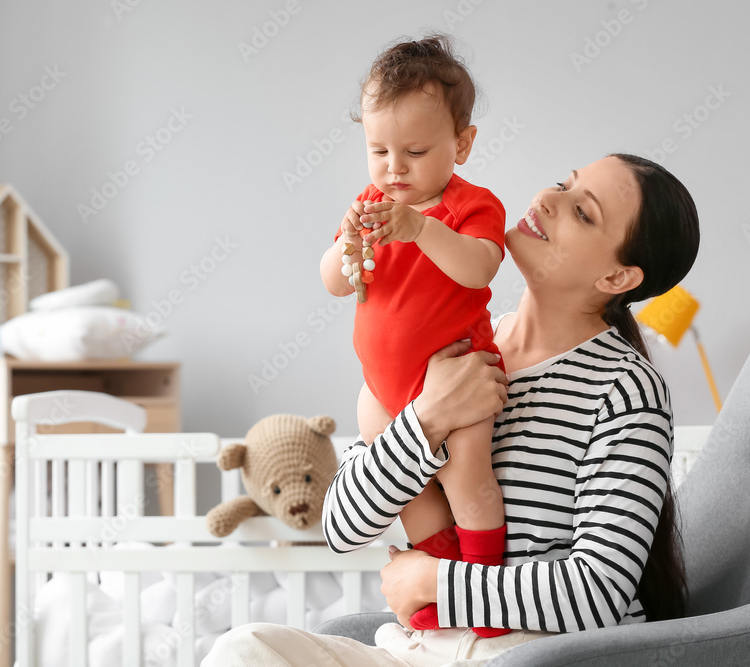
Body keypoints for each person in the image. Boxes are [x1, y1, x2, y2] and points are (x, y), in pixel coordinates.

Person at [201, 152, 700, 666]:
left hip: (530, 655)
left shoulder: (625, 388)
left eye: (582, 212)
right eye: (561, 184)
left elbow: (598, 592)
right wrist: (428, 418)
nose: (547, 200)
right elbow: (341, 525)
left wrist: (432, 580)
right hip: (424, 653)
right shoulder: (455, 339)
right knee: (245, 651)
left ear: (618, 279)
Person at [318, 34, 510, 635]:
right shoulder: (371, 203)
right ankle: (439, 578)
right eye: (379, 150)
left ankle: (483, 594)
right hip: (383, 392)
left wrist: (417, 228)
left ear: (463, 143)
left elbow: (479, 266)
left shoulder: (469, 205)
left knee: (467, 478)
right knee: (410, 493)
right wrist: (350, 248)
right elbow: (332, 282)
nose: (394, 168)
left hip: (459, 374)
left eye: (416, 151)